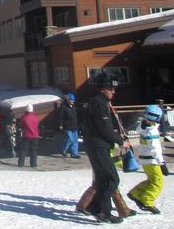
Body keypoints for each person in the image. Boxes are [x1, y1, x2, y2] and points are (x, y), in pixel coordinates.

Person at [82, 75, 131, 224]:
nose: (113, 92)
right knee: (111, 179)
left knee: (104, 180)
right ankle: (98, 209)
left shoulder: (102, 102)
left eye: (114, 89)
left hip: (98, 145)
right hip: (97, 145)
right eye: (110, 89)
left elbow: (105, 127)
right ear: (102, 89)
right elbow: (103, 129)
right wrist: (120, 141)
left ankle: (101, 210)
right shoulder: (98, 103)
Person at [127, 104, 168, 215]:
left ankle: (135, 193)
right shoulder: (152, 132)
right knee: (157, 183)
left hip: (144, 160)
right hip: (152, 161)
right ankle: (147, 200)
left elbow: (139, 128)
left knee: (150, 181)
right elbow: (156, 150)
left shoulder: (143, 127)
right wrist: (162, 164)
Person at [58, 92, 80, 158]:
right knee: (69, 139)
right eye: (71, 100)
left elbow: (75, 116)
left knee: (75, 140)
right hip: (68, 126)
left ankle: (74, 154)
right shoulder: (63, 107)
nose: (72, 101)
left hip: (74, 126)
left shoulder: (73, 106)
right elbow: (60, 117)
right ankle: (63, 150)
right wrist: (60, 124)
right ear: (68, 100)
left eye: (73, 100)